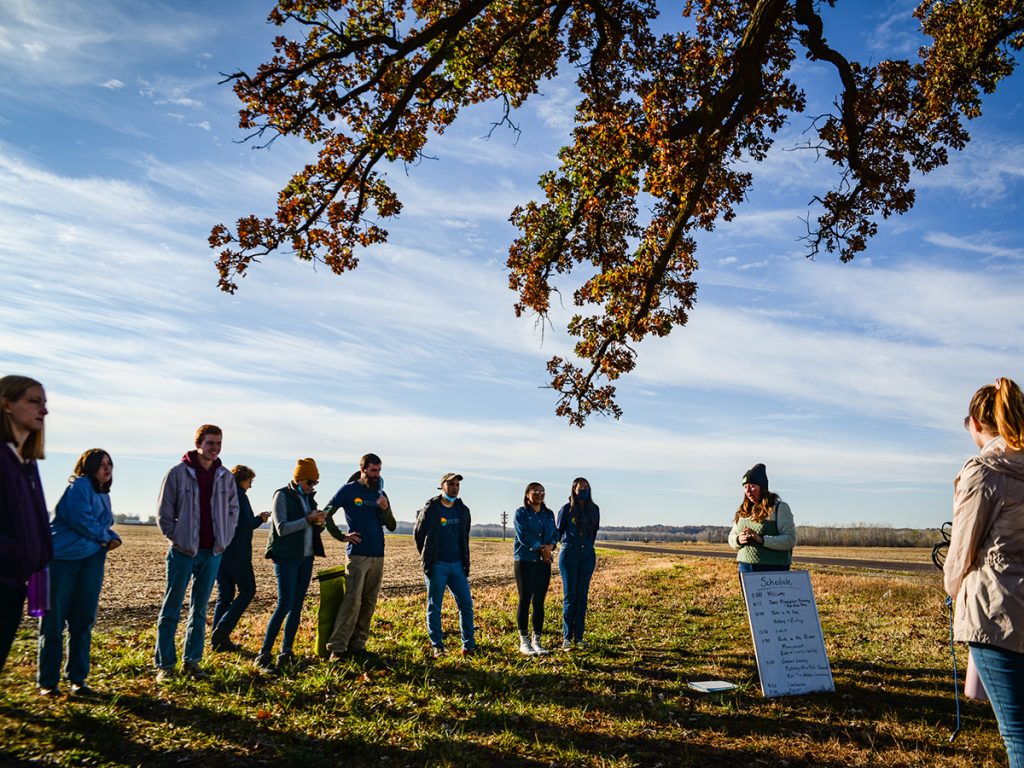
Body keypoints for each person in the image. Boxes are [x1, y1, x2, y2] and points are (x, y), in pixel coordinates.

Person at [945, 378, 1024, 768]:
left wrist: (953, 588)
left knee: (1017, 734)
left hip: (995, 612)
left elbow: (961, 551)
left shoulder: (983, 471)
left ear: (976, 421)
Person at [154, 424, 239, 681]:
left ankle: (192, 662)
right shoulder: (178, 473)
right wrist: (178, 539)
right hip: (183, 552)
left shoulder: (225, 476)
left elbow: (233, 511)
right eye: (210, 443)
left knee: (200, 609)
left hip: (212, 551)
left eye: (218, 443)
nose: (215, 448)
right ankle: (165, 665)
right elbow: (164, 512)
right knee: (172, 607)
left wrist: (224, 538)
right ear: (198, 443)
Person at [37, 449, 121, 696]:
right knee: (53, 622)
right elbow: (81, 519)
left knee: (83, 620)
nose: (107, 468)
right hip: (62, 561)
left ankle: (78, 679)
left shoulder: (103, 493)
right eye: (101, 464)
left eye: (109, 464)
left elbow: (104, 525)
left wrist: (111, 536)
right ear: (88, 466)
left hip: (92, 561)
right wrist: (107, 538)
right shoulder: (80, 486)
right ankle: (48, 682)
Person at [0, 375, 52, 673]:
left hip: (16, 585)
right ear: (7, 404)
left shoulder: (27, 462)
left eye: (44, 403)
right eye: (34, 401)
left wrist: (40, 558)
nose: (44, 411)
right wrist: (16, 555)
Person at [257, 458, 328, 671]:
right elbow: (281, 528)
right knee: (284, 604)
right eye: (309, 482)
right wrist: (308, 519)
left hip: (306, 558)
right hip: (286, 557)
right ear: (297, 479)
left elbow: (310, 529)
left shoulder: (310, 499)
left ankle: (286, 651)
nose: (312, 486)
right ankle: (264, 653)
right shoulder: (282, 496)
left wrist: (319, 523)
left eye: (315, 482)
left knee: (297, 606)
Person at [324, 453, 395, 661]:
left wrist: (386, 508)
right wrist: (342, 536)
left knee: (369, 602)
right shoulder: (348, 490)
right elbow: (327, 513)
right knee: (352, 601)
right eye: (373, 470)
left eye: (379, 471)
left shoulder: (381, 493)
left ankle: (358, 645)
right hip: (357, 555)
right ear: (363, 470)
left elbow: (391, 525)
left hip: (378, 554)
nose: (377, 475)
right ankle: (337, 648)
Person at [414, 472, 476, 657]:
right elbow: (419, 534)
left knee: (466, 605)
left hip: (457, 565)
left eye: (457, 484)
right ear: (442, 486)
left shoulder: (462, 510)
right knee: (435, 607)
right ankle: (437, 646)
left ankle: (469, 646)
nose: (455, 487)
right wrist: (428, 557)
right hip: (437, 566)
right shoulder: (432, 508)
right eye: (451, 484)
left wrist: (464, 561)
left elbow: (464, 537)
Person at [211, 465, 270, 652]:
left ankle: (217, 639)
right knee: (248, 590)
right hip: (238, 553)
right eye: (249, 481)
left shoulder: (222, 496)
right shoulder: (240, 496)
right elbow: (245, 524)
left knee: (225, 595)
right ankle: (222, 629)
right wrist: (260, 518)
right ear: (242, 480)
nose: (250, 486)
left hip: (221, 551)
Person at [513, 482, 557, 655]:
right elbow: (523, 534)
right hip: (525, 560)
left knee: (539, 601)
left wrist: (550, 547)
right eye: (535, 491)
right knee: (525, 599)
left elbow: (555, 533)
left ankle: (536, 640)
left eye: (542, 492)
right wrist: (540, 548)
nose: (539, 494)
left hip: (543, 562)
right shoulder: (521, 513)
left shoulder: (549, 514)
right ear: (527, 494)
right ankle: (524, 641)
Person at [556, 477, 599, 651]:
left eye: (586, 487)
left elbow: (594, 531)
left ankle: (579, 637)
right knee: (570, 597)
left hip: (587, 554)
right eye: (580, 488)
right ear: (573, 489)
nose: (583, 490)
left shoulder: (594, 509)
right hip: (569, 554)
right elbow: (559, 532)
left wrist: (587, 548)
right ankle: (567, 638)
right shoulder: (566, 509)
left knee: (582, 597)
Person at [728, 463, 796, 573]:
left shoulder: (779, 508)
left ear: (762, 487)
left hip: (773, 569)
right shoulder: (743, 511)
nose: (748, 491)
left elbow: (790, 540)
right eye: (745, 487)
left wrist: (761, 539)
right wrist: (738, 539)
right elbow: (731, 536)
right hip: (745, 568)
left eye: (752, 486)